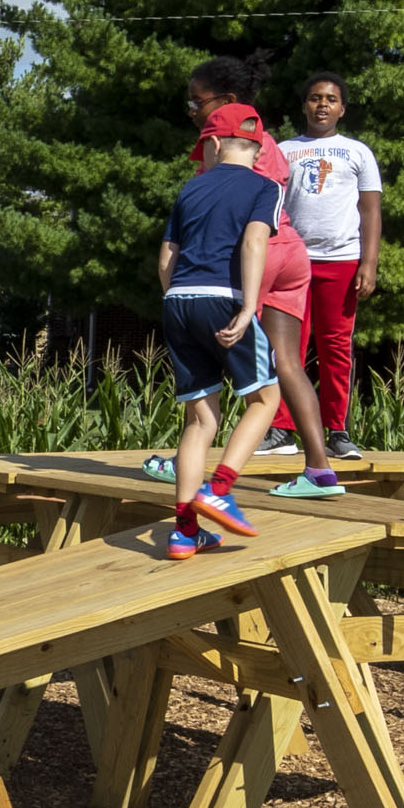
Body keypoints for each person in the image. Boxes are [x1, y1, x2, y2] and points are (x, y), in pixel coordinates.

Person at [143, 57, 345, 500]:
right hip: (293, 251)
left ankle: (191, 462)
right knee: (288, 361)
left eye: (197, 102)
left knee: (208, 351)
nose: (192, 110)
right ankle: (319, 469)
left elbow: (234, 227)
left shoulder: (217, 158)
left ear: (225, 108)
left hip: (256, 253)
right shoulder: (266, 143)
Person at [156, 103, 284, 556]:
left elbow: (167, 256)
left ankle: (185, 531)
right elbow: (253, 241)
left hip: (178, 301)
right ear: (259, 146)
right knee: (266, 398)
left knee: (200, 418)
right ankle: (221, 488)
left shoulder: (191, 190)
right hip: (224, 297)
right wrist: (249, 305)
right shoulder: (265, 186)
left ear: (211, 145)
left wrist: (178, 303)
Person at [267, 68, 384, 459]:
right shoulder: (283, 150)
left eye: (331, 99)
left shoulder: (357, 152)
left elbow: (370, 211)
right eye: (316, 98)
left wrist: (369, 263)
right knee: (288, 348)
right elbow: (268, 205)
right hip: (293, 260)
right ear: (304, 105)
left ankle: (337, 430)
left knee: (335, 346)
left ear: (342, 109)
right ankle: (282, 429)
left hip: (342, 260)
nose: (322, 105)